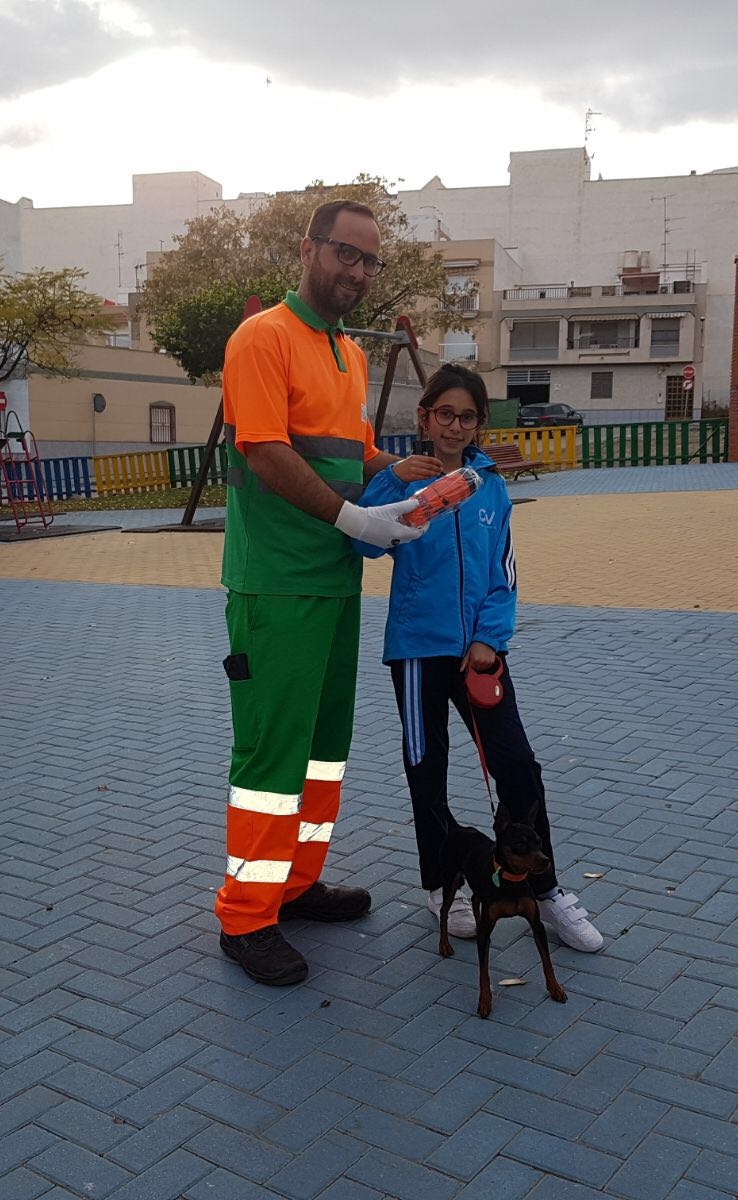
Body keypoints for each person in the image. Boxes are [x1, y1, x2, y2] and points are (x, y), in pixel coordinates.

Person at [215, 199, 428, 987]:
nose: (358, 271)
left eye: (370, 260)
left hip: (335, 580)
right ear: (308, 250)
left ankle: (296, 886)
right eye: (346, 253)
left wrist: (398, 475)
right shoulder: (262, 337)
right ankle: (246, 918)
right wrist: (353, 518)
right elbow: (265, 450)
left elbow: (350, 451)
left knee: (322, 751)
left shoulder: (349, 353)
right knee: (272, 753)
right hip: (276, 584)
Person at [355, 364, 606, 953]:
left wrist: (489, 639)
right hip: (417, 652)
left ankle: (545, 889)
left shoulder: (488, 485)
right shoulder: (404, 482)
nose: (455, 426)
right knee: (427, 770)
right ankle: (441, 885)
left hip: (481, 655)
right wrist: (392, 481)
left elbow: (503, 572)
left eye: (467, 417)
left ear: (478, 424)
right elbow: (363, 543)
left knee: (517, 766)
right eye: (445, 414)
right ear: (425, 417)